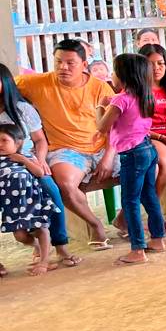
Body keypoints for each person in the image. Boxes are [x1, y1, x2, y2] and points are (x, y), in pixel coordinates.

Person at [16, 39, 117, 248]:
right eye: (58, 61)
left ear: (84, 64)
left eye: (70, 63)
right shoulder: (36, 83)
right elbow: (7, 85)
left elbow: (118, 127)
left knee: (148, 165)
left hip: (104, 148)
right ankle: (95, 224)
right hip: (66, 151)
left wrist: (108, 157)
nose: (63, 67)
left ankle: (124, 219)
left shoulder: (100, 88)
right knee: (64, 184)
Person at [0, 63, 78, 269]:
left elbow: (40, 140)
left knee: (53, 193)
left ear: (5, 82)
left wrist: (41, 160)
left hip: (26, 162)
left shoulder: (22, 109)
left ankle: (61, 247)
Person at [96, 53, 166, 265]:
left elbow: (102, 127)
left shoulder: (120, 100)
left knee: (130, 201)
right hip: (147, 149)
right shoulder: (145, 96)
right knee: (149, 197)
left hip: (132, 155)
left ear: (124, 76)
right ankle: (158, 240)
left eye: (114, 72)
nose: (111, 75)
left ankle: (137, 250)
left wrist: (100, 107)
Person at [0, 122, 59, 276]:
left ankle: (44, 261)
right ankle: (39, 247)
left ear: (18, 143)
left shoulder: (26, 156)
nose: (0, 145)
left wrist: (23, 160)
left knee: (42, 228)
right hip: (11, 205)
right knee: (20, 236)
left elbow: (40, 173)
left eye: (4, 140)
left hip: (32, 199)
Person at [137, 42, 166, 223]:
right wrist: (165, 138)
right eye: (150, 64)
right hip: (148, 136)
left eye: (160, 63)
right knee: (163, 161)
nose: (156, 68)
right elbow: (136, 126)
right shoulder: (136, 90)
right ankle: (154, 215)